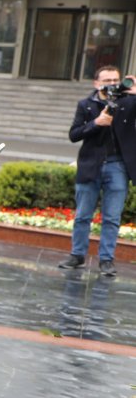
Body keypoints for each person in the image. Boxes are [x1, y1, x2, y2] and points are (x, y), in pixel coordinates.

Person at [65, 63, 136, 277]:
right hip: (90, 165)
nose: (112, 85)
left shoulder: (129, 102)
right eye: (107, 81)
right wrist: (96, 122)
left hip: (117, 166)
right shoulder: (86, 104)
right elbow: (74, 134)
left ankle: (106, 260)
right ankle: (77, 256)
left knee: (112, 218)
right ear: (97, 83)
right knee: (83, 215)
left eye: (115, 80)